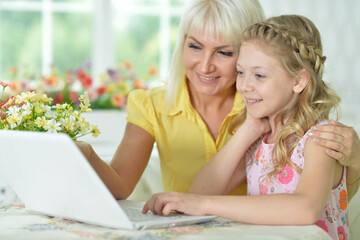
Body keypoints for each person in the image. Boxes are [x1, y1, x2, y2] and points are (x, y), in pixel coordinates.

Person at [77, 0, 360, 202]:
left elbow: (325, 197)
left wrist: (356, 160)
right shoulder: (153, 104)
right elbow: (125, 185)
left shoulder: (265, 105)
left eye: (225, 53)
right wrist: (85, 155)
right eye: (195, 46)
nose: (205, 66)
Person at [142, 14, 351, 240]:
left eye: (259, 75)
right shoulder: (260, 143)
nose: (244, 86)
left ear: (298, 81)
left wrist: (205, 205)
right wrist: (249, 129)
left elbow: (305, 208)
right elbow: (199, 192)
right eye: (241, 72)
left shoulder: (320, 139)